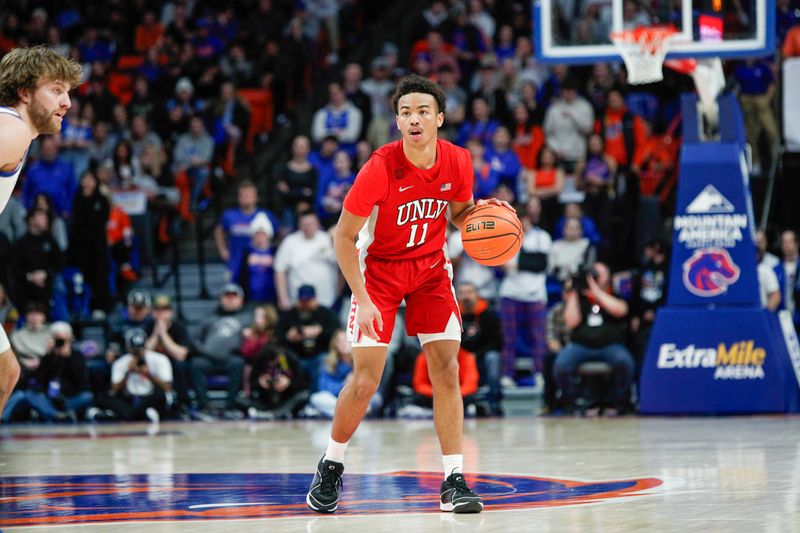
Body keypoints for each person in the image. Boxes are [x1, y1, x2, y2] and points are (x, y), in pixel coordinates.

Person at [305, 74, 510, 515]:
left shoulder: (458, 161)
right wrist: (361, 298)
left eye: (422, 111)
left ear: (439, 117)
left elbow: (459, 215)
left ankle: (454, 480)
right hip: (377, 272)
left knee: (446, 369)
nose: (414, 119)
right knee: (365, 383)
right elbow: (343, 236)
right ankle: (331, 463)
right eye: (405, 112)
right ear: (397, 122)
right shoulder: (379, 166)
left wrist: (485, 219)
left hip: (431, 270)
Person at [553, 262, 635, 415]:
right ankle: (573, 402)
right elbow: (571, 321)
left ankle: (617, 403)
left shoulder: (614, 293)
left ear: (608, 276)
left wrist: (596, 291)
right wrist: (573, 294)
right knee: (561, 364)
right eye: (593, 273)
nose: (595, 277)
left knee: (625, 362)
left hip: (610, 346)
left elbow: (621, 310)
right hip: (582, 346)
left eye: (600, 273)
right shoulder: (581, 298)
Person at [2, 321, 92, 423]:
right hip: (50, 399)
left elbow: (81, 380)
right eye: (56, 339)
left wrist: (67, 356)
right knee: (29, 395)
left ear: (69, 338)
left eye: (61, 340)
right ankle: (58, 416)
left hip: (70, 398)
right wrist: (48, 355)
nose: (59, 343)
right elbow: (39, 378)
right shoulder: (49, 356)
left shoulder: (77, 355)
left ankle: (55, 415)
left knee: (87, 397)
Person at [100, 328, 172, 423]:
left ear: (146, 344)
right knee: (103, 397)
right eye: (134, 350)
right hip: (129, 399)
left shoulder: (160, 359)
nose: (138, 352)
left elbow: (167, 388)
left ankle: (126, 415)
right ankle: (142, 414)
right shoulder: (120, 362)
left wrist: (148, 374)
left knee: (160, 396)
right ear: (128, 347)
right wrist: (128, 372)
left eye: (140, 348)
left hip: (150, 397)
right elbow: (115, 390)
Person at [277, 284, 340, 383]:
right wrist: (289, 337)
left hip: (318, 355)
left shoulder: (326, 314)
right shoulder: (288, 315)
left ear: (315, 299)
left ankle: (318, 390)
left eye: (308, 300)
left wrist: (320, 331)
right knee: (283, 358)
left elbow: (338, 335)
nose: (305, 304)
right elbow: (277, 338)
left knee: (323, 360)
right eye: (302, 301)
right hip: (296, 356)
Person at [457, 282, 502, 415]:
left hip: (481, 357)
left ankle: (494, 401)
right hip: (460, 358)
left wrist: (476, 355)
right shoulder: (453, 315)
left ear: (477, 295)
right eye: (462, 293)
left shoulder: (488, 315)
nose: (466, 297)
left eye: (469, 292)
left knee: (493, 358)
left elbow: (496, 343)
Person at [145, 294, 191, 411]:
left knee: (181, 366)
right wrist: (156, 334)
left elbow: (181, 355)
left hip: (173, 362)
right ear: (152, 312)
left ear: (171, 312)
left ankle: (183, 404)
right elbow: (144, 352)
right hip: (153, 364)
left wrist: (164, 334)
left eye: (164, 309)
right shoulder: (148, 326)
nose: (161, 313)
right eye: (157, 310)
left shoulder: (179, 327)